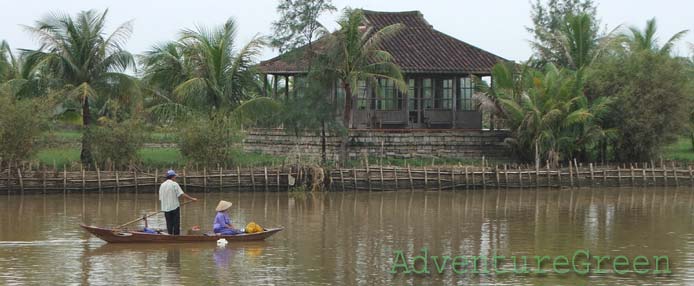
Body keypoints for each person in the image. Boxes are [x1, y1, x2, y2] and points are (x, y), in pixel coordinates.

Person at [159, 169, 197, 235]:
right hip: (174, 207)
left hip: (165, 208)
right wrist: (192, 199)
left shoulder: (162, 185)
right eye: (175, 176)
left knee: (169, 223)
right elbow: (182, 194)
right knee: (176, 223)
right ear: (173, 177)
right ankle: (176, 237)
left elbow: (160, 198)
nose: (175, 178)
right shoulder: (174, 184)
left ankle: (169, 236)